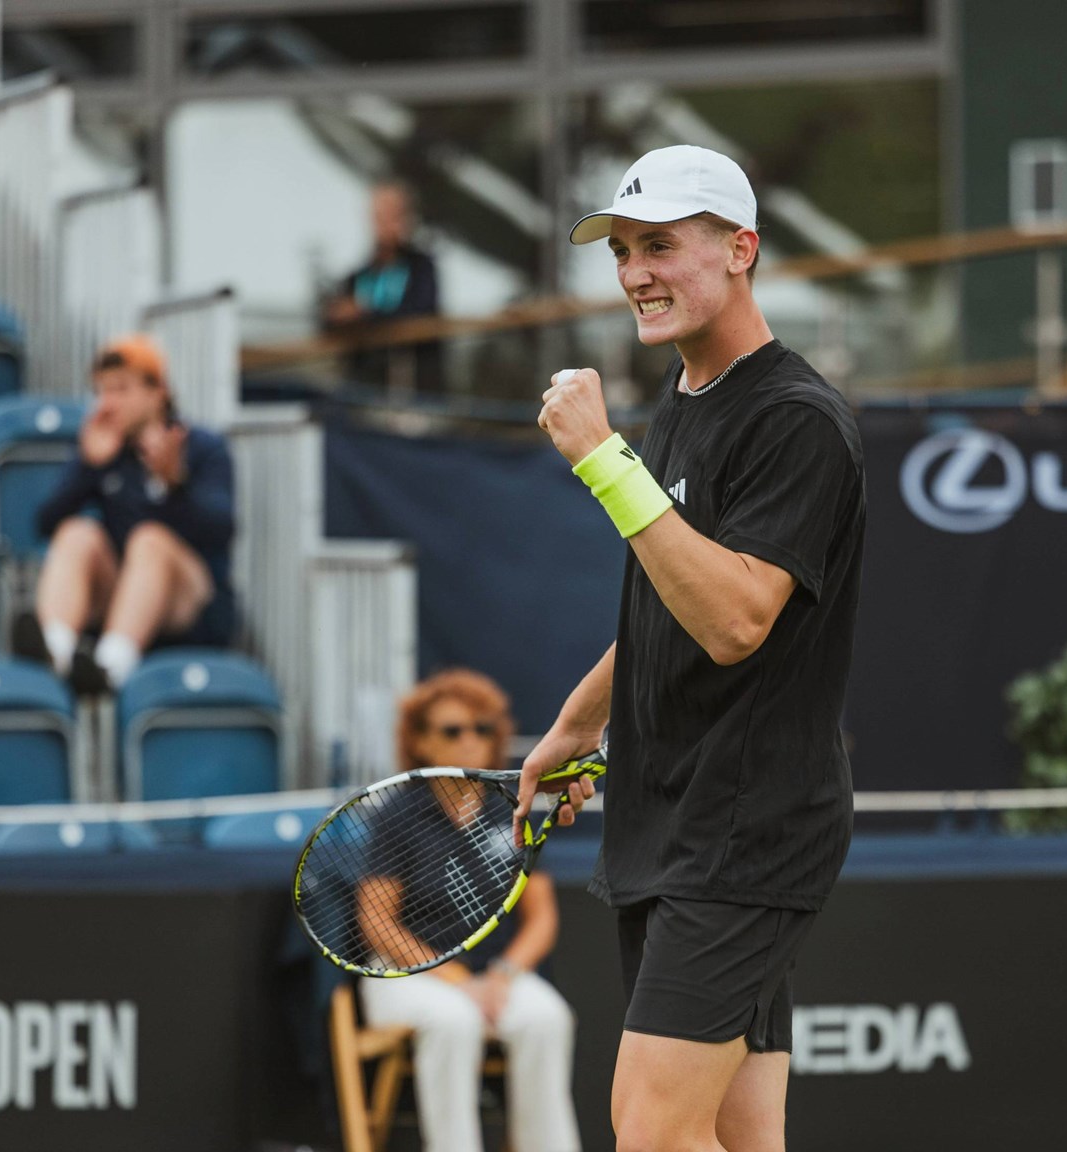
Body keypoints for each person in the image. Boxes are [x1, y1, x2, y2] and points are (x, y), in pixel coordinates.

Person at [516, 145, 866, 1152]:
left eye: (659, 245)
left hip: (743, 831)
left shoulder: (796, 422)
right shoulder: (679, 407)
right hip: (674, 821)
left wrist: (598, 459)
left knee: (652, 1136)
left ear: (740, 250)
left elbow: (734, 620)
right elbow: (667, 607)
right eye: (622, 250)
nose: (633, 273)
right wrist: (573, 727)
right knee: (737, 1138)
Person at [355, 669, 581, 1152]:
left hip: (494, 974)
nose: (470, 741)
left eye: (482, 729)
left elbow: (541, 918)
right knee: (454, 1020)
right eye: (452, 730)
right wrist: (459, 981)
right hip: (408, 974)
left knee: (547, 1018)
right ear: (420, 741)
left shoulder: (511, 809)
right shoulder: (396, 815)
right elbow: (376, 922)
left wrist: (500, 975)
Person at [20, 334, 237, 694]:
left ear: (158, 392)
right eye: (102, 392)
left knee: (149, 540)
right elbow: (45, 524)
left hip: (191, 604)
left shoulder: (202, 447)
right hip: (121, 598)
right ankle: (54, 653)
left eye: (121, 390)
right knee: (77, 533)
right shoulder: (105, 448)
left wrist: (174, 486)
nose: (107, 404)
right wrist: (89, 468)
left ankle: (111, 668)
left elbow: (221, 530)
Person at [322, 181, 445, 394]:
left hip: (414, 391)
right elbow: (330, 322)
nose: (387, 224)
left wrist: (363, 313)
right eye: (380, 216)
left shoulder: (422, 269)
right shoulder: (359, 275)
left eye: (394, 215)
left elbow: (419, 312)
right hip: (364, 390)